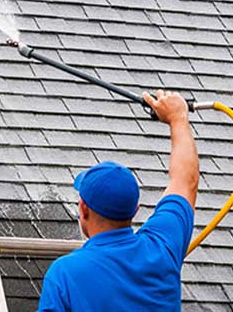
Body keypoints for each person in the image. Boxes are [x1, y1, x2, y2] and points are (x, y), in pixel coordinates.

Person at [37, 90, 199, 311]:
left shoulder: (66, 274)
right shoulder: (162, 248)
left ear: (83, 208)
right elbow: (185, 180)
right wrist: (178, 118)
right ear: (135, 210)